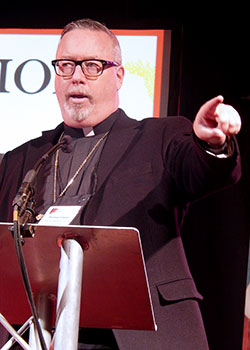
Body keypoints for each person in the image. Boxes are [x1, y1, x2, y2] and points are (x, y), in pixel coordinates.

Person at [0, 18, 242, 350]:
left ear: (119, 76)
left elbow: (201, 170)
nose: (78, 76)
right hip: (36, 334)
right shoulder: (21, 159)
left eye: (93, 65)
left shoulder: (159, 137)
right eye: (66, 65)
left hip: (138, 336)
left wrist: (212, 144)